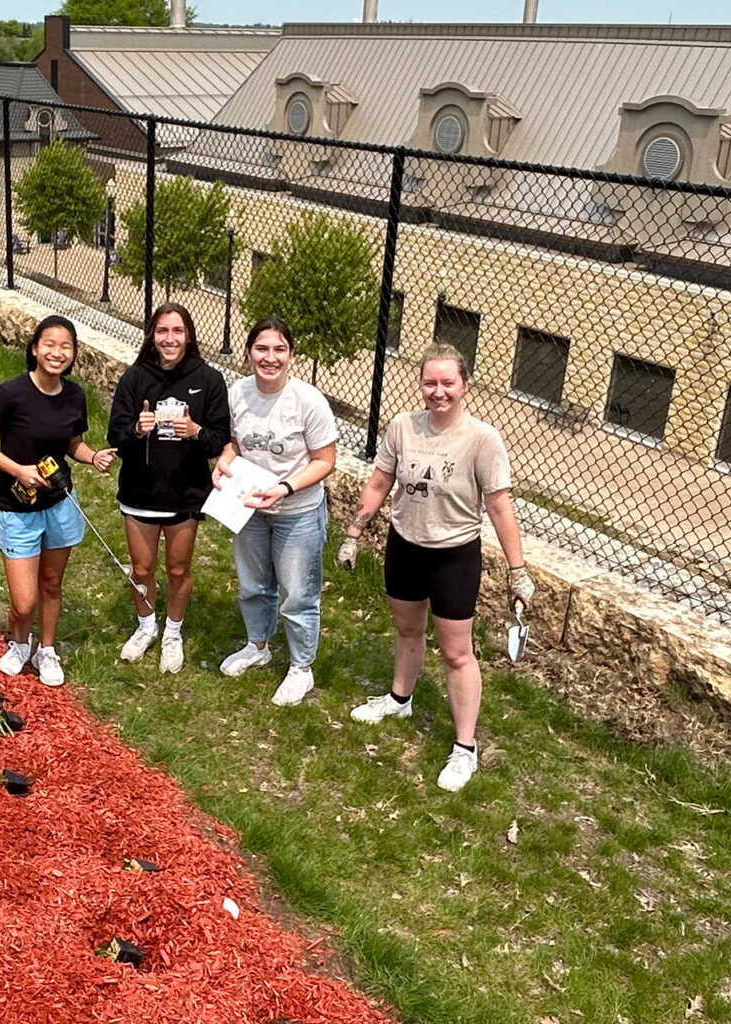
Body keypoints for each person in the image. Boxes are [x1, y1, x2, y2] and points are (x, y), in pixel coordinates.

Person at [340, 344, 535, 792]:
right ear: (420, 384)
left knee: (456, 653)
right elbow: (379, 482)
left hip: (453, 555)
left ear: (464, 385)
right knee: (407, 632)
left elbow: (500, 507)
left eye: (448, 383)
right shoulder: (401, 427)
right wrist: (354, 532)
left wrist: (517, 570)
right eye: (431, 382)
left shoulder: (483, 439)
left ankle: (465, 749)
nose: (439, 391)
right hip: (404, 545)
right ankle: (399, 698)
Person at [0, 315, 117, 686]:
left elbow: (72, 445)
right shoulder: (10, 394)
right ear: (34, 348)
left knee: (52, 582)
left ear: (74, 354)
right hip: (17, 507)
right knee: (23, 601)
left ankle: (45, 649)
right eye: (49, 344)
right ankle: (20, 642)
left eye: (66, 346)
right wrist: (17, 469)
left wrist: (92, 455)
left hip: (59, 503)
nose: (57, 352)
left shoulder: (74, 396)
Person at [211, 318, 339, 705]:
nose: (270, 358)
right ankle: (258, 645)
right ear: (249, 352)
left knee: (297, 593)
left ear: (291, 355)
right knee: (253, 584)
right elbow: (236, 442)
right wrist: (224, 461)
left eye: (279, 349)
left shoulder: (308, 400)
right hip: (250, 507)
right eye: (262, 349)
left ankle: (302, 667)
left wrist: (284, 488)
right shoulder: (238, 393)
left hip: (297, 510)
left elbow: (325, 460)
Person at [104, 303, 231, 673]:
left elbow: (220, 440)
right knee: (141, 570)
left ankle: (172, 633)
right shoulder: (134, 378)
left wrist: (196, 433)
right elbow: (115, 436)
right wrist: (136, 431)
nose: (169, 339)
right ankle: (146, 627)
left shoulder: (208, 380)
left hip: (185, 494)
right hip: (140, 493)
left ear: (188, 335)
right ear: (152, 335)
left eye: (177, 331)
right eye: (162, 331)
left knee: (178, 570)